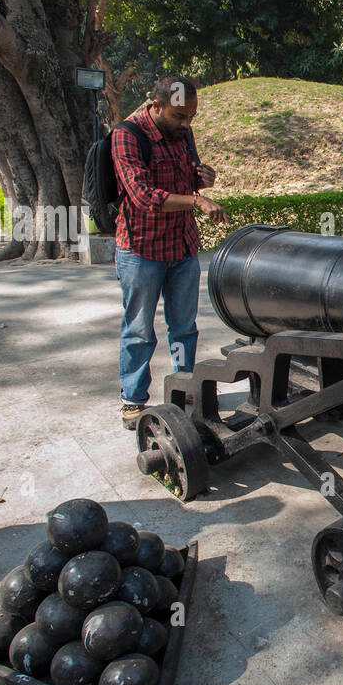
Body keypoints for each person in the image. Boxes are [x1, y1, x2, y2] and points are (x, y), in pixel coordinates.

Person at [111, 74, 227, 429]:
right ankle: (133, 398)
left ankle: (184, 386)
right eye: (179, 117)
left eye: (191, 117)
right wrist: (197, 199)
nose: (186, 124)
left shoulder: (182, 133)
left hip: (181, 246)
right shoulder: (127, 136)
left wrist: (200, 179)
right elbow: (144, 196)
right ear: (157, 105)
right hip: (141, 250)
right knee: (139, 330)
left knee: (184, 326)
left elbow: (183, 177)